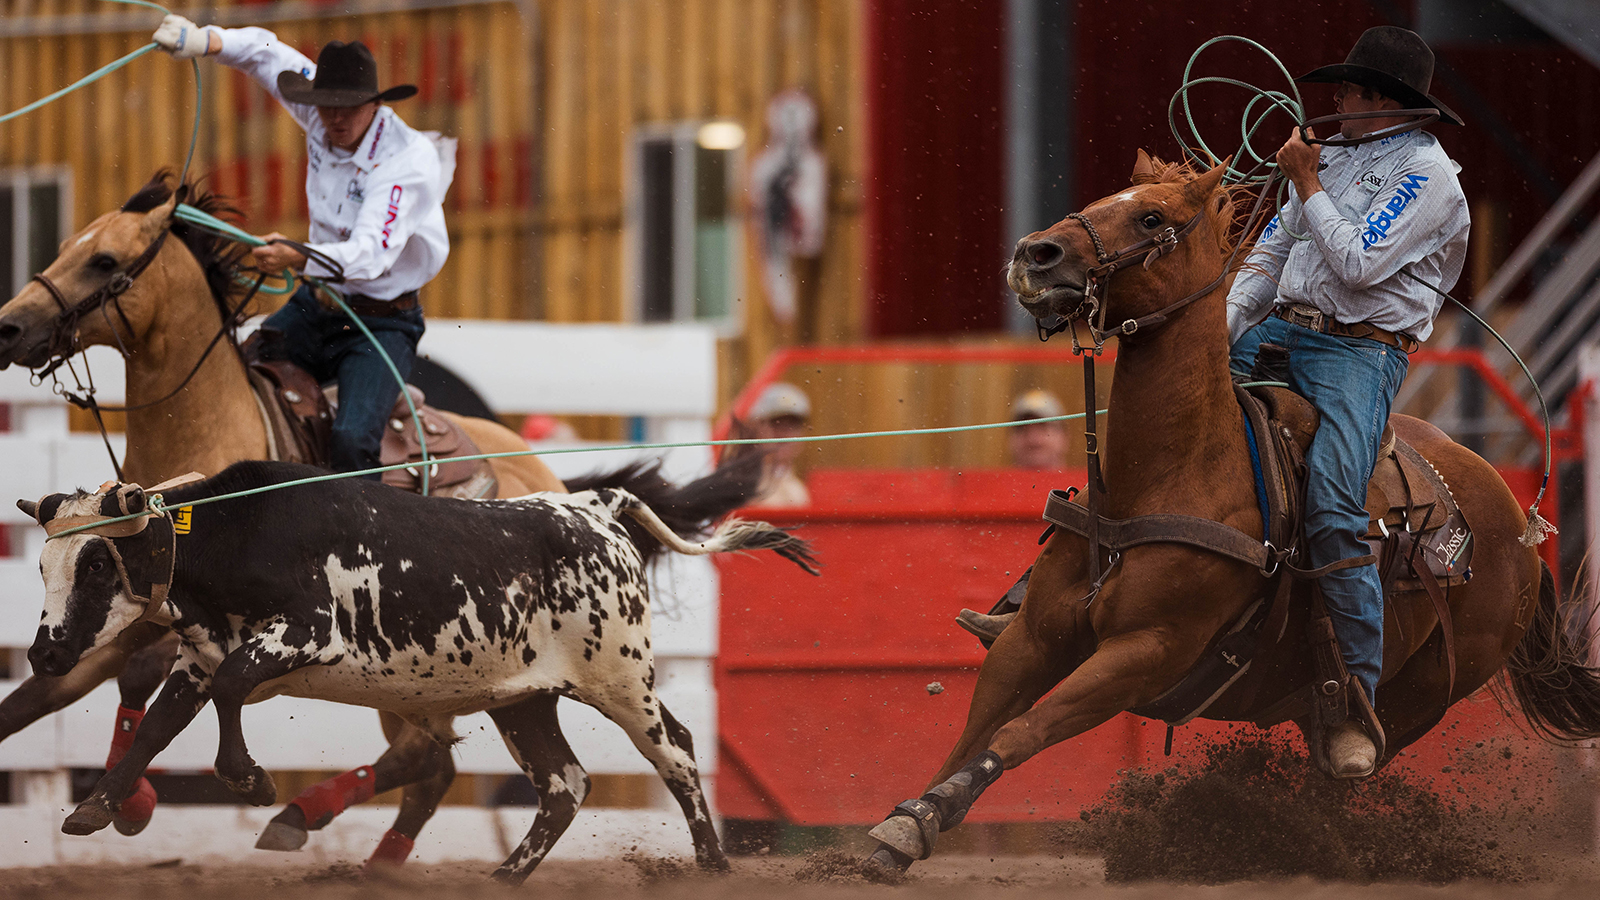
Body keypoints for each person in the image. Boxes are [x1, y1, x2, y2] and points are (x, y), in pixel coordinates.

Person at [1226, 26, 1468, 778]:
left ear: (1384, 102)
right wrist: (1220, 333)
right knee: (1161, 415)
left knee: (1334, 505)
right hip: (1278, 332)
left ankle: (1356, 699)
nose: (1336, 102)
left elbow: (1360, 266)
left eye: (1351, 91)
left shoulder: (1430, 177)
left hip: (1360, 354)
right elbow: (1271, 254)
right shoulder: (1334, 159)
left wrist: (1305, 182)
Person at [152, 15, 453, 476]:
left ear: (374, 105)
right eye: (327, 104)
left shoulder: (407, 162)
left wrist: (300, 255)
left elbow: (369, 255)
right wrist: (206, 40)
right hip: (317, 305)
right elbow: (266, 55)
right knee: (230, 374)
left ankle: (365, 538)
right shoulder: (323, 113)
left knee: (352, 445)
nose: (334, 117)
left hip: (381, 324)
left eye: (348, 107)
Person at [743, 382, 812, 508]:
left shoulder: (798, 488)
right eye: (775, 424)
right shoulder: (741, 486)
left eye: (792, 425)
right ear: (755, 429)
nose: (784, 433)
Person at [1007, 389, 1069, 470]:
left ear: (1064, 435)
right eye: (1023, 429)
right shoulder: (993, 481)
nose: (1033, 439)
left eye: (1043, 427)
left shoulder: (1087, 481)